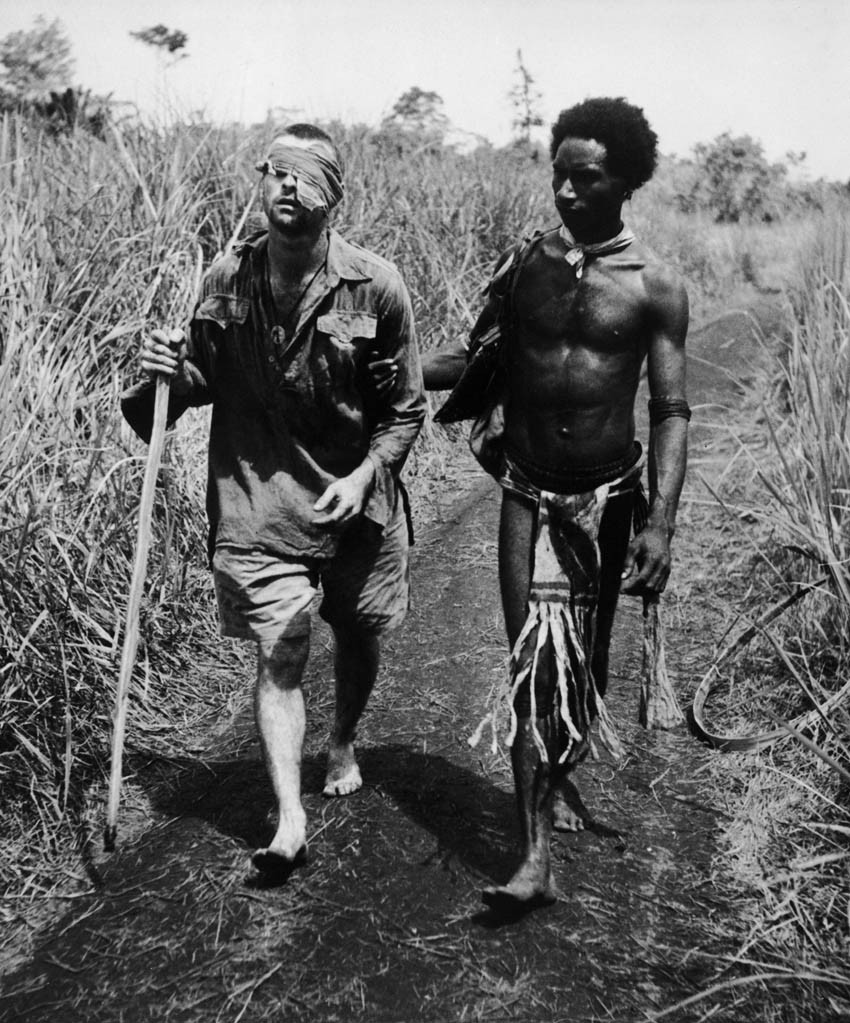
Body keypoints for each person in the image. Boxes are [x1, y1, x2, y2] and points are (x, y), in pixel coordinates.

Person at [122, 124, 426, 882]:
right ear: (260, 185)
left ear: (335, 194)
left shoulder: (375, 285)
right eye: (275, 171)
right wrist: (156, 372)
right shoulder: (225, 280)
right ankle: (290, 817)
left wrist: (365, 477)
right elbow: (180, 394)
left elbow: (407, 408)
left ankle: (345, 735)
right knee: (282, 643)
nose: (288, 186)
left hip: (353, 497)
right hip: (259, 499)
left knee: (357, 631)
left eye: (306, 173)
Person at [422, 97, 690, 911]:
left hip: (608, 499)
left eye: (587, 178)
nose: (567, 193)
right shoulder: (522, 269)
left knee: (587, 668)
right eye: (559, 176)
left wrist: (661, 523)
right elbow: (471, 360)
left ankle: (559, 776)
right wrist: (384, 360)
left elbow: (671, 410)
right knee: (532, 665)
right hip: (527, 491)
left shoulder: (656, 287)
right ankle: (532, 853)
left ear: (626, 182)